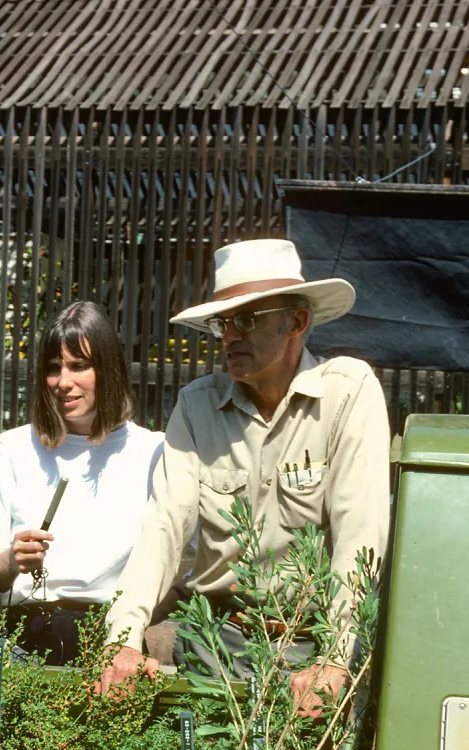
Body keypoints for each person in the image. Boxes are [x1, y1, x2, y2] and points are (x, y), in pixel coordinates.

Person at [98, 238, 391, 715]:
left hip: (314, 649)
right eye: (222, 321)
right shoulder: (197, 407)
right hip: (213, 643)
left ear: (296, 322)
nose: (230, 334)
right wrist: (123, 640)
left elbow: (360, 538)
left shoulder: (349, 393)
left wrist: (337, 660)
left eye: (247, 319)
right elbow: (163, 529)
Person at [0, 302, 163, 665]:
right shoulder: (11, 450)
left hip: (111, 647)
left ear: (109, 369)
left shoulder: (153, 453)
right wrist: (6, 564)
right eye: (53, 368)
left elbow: (182, 570)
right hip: (18, 642)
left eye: (79, 366)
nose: (63, 382)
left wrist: (132, 638)